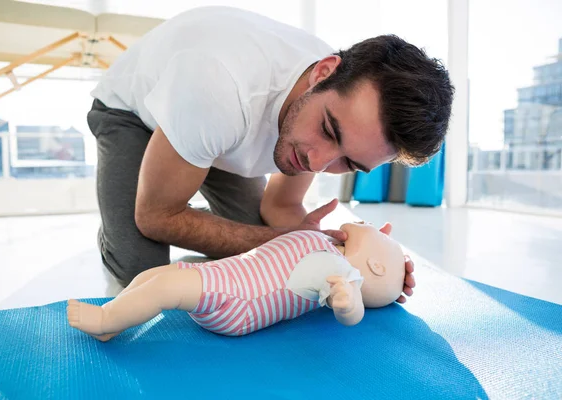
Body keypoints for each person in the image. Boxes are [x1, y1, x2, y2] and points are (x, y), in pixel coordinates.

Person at [87, 6, 453, 300]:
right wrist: (286, 242)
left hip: (216, 134)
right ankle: (120, 224)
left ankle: (182, 199)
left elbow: (279, 210)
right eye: (328, 130)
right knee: (140, 270)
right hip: (135, 113)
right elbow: (156, 219)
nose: (317, 163)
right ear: (323, 73)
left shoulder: (323, 117)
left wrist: (360, 264)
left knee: (265, 254)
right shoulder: (218, 90)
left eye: (349, 163)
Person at [67, 221, 407, 340]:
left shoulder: (344, 274)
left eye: (383, 236)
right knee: (153, 275)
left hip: (238, 301)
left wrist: (347, 303)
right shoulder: (328, 245)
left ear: (376, 266)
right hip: (223, 275)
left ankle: (104, 319)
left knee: (163, 289)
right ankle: (117, 320)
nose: (379, 228)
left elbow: (353, 312)